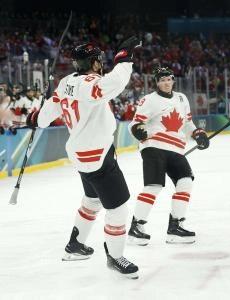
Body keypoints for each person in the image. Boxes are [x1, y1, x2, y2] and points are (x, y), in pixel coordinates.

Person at [26, 37, 141, 279]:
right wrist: (124, 57)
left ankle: (75, 245)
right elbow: (114, 83)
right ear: (95, 62)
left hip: (79, 154)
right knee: (118, 209)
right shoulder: (90, 83)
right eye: (100, 61)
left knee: (92, 200)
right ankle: (115, 256)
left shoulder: (65, 82)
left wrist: (35, 118)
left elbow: (49, 111)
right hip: (97, 155)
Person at [127, 66, 209, 246]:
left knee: (186, 182)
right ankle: (136, 227)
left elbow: (187, 123)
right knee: (154, 186)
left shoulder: (182, 98)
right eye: (161, 80)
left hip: (176, 149)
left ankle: (175, 227)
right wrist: (138, 131)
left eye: (168, 79)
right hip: (154, 146)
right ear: (157, 82)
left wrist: (198, 134)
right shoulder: (149, 100)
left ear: (173, 80)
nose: (165, 83)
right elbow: (135, 123)